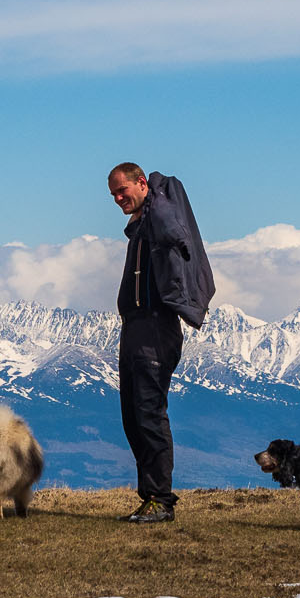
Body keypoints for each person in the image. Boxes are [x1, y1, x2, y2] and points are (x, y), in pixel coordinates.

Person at [106, 162, 214, 524]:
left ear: (141, 182)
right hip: (134, 328)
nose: (119, 199)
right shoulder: (142, 224)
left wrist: (155, 193)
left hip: (155, 328)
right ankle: (150, 497)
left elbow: (172, 229)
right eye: (113, 195)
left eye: (123, 190)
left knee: (150, 413)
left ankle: (162, 501)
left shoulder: (159, 212)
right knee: (133, 416)